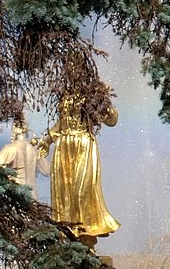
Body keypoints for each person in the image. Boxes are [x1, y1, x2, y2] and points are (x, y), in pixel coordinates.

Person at [38, 93, 119, 247]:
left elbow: (112, 121)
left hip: (84, 145)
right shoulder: (65, 95)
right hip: (64, 147)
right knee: (65, 196)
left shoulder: (93, 93)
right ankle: (69, 240)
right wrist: (47, 141)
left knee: (84, 192)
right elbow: (61, 123)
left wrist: (106, 103)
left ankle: (87, 240)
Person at [0, 121, 50, 200]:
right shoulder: (34, 150)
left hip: (17, 198)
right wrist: (43, 154)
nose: (12, 129)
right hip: (33, 198)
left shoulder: (11, 148)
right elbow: (47, 171)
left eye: (14, 127)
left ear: (18, 129)